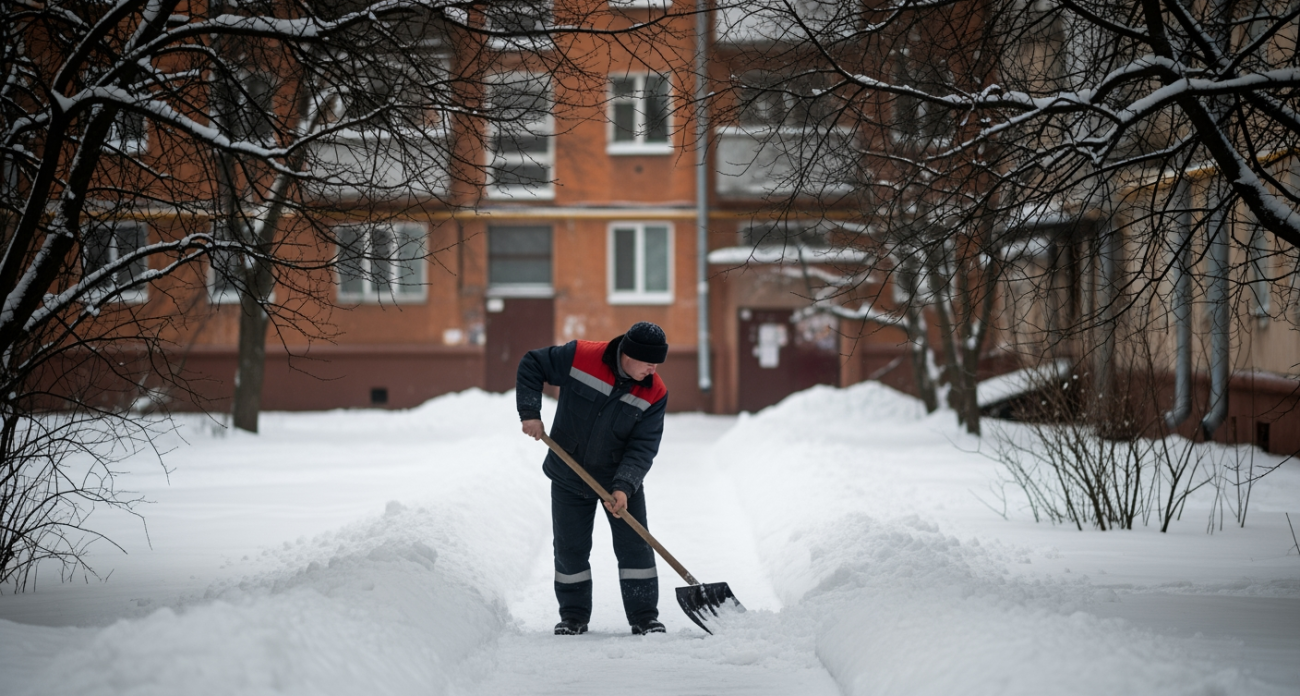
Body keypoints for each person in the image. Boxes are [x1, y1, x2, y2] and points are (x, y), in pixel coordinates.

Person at [517, 321, 670, 636]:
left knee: (635, 548)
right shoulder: (581, 357)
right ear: (629, 354)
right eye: (648, 362)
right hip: (569, 472)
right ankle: (573, 617)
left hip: (618, 480)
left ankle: (644, 617)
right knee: (570, 549)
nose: (653, 370)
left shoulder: (654, 392)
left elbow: (643, 447)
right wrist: (530, 413)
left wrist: (624, 486)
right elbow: (532, 363)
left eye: (657, 363)